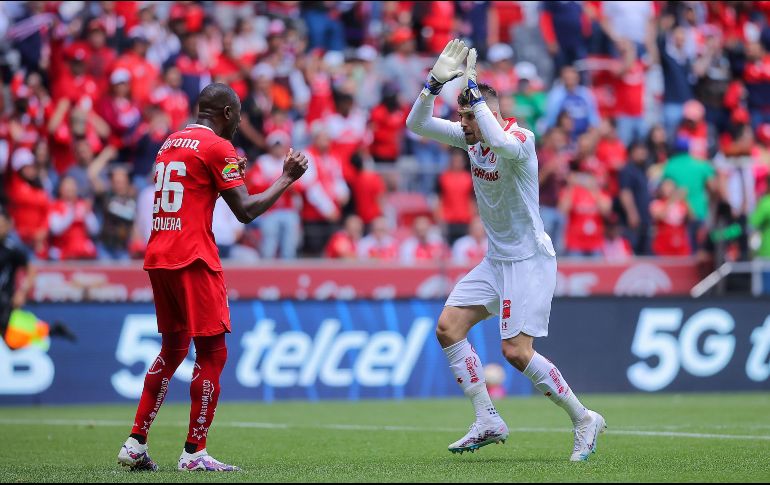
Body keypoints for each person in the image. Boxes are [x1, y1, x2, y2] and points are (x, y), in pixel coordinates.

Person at [406, 39, 605, 461]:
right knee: (448, 328)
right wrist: (434, 84)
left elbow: (500, 142)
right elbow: (417, 125)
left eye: (466, 116)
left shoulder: (521, 139)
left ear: (487, 112)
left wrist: (475, 95)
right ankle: (487, 418)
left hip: (530, 260)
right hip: (496, 261)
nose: (460, 123)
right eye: (459, 116)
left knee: (515, 352)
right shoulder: (472, 138)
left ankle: (583, 417)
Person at [117, 83, 308, 472]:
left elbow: (194, 192)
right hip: (194, 259)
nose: (239, 124)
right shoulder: (219, 147)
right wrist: (287, 178)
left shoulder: (170, 142)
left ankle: (135, 442)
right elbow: (246, 211)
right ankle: (194, 453)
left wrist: (228, 179)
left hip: (159, 255)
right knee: (212, 354)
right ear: (224, 113)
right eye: (237, 116)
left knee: (172, 351)